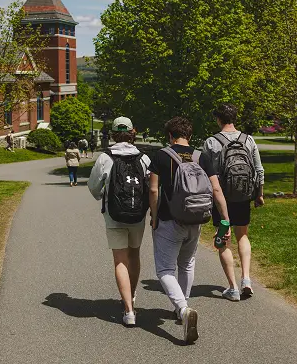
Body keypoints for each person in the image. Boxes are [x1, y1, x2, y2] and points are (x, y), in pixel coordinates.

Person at [149, 116, 230, 344]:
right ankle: (182, 305)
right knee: (187, 263)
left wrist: (154, 217)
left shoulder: (161, 156)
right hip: (196, 220)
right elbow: (216, 189)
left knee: (165, 270)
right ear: (190, 135)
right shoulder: (201, 156)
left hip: (169, 220)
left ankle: (183, 310)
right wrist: (225, 220)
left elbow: (154, 191)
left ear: (169, 135)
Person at [88, 117, 151, 328]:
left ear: (113, 133)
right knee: (134, 254)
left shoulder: (106, 157)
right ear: (133, 131)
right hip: (138, 215)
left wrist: (103, 196)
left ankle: (128, 311)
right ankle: (131, 296)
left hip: (114, 216)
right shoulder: (143, 158)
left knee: (120, 260)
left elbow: (94, 187)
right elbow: (151, 185)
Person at [203, 103, 265, 301]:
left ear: (218, 119)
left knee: (223, 240)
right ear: (234, 118)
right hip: (243, 196)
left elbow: (207, 175)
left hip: (221, 198)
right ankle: (246, 279)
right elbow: (259, 170)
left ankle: (232, 287)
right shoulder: (248, 140)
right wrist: (259, 194)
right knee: (243, 235)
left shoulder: (211, 142)